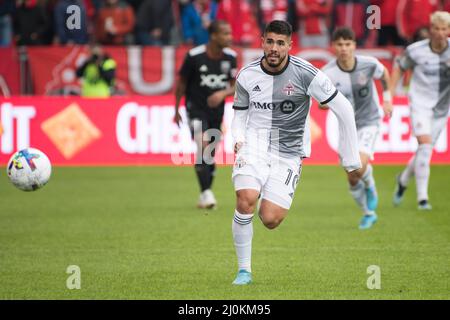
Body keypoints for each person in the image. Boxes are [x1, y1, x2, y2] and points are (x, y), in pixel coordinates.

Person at [230, 20, 361, 285]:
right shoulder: (247, 74)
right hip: (254, 145)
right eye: (270, 41)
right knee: (245, 199)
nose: (274, 48)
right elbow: (239, 114)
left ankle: (264, 195)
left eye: (280, 43)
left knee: (270, 219)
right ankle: (244, 271)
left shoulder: (307, 74)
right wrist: (239, 137)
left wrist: (350, 158)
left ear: (290, 45)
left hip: (288, 153)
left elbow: (344, 108)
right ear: (262, 42)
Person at [321, 27, 393, 229]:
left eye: (347, 44)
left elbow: (384, 74)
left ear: (354, 45)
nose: (344, 48)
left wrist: (387, 99)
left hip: (369, 121)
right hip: (345, 127)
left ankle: (370, 186)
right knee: (352, 177)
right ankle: (368, 213)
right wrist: (325, 102)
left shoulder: (368, 64)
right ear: (333, 46)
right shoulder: (327, 73)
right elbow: (320, 102)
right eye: (339, 44)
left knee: (359, 166)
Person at [173, 20, 237, 209]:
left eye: (230, 33)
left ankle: (205, 192)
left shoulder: (231, 57)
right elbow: (182, 83)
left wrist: (222, 94)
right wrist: (176, 108)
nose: (230, 37)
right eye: (225, 33)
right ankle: (206, 193)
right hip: (195, 108)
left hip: (216, 112)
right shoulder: (194, 56)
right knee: (202, 144)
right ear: (214, 35)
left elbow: (236, 86)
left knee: (210, 152)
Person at [391, 11, 450, 210]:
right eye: (437, 29)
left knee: (424, 151)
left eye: (444, 29)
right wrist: (389, 96)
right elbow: (399, 67)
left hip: (442, 108)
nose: (440, 33)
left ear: (448, 31)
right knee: (425, 146)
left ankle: (403, 179)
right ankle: (422, 198)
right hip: (419, 104)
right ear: (430, 30)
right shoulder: (416, 50)